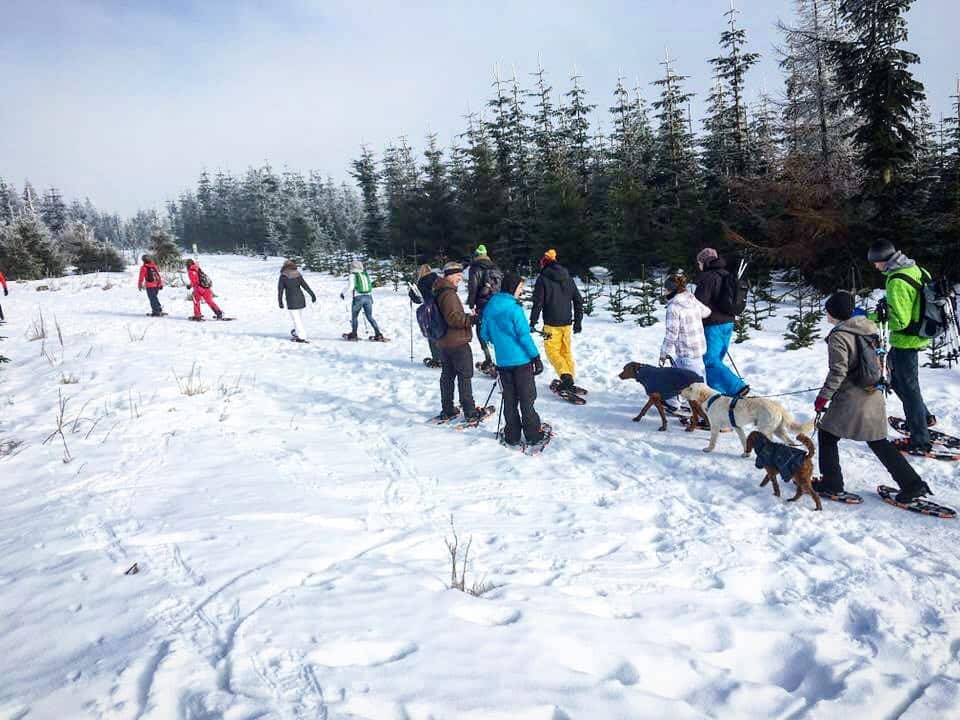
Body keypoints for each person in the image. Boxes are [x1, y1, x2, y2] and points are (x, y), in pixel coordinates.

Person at [813, 291, 931, 505]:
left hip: (852, 397)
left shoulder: (839, 335)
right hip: (873, 393)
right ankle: (913, 484)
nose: (827, 316)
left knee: (827, 435)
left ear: (834, 313)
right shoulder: (868, 327)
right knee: (878, 442)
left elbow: (838, 372)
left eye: (828, 312)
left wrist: (823, 398)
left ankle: (831, 483)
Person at [867, 240, 935, 453]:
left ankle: (920, 440)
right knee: (896, 380)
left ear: (884, 260)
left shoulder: (896, 281)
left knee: (908, 388)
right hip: (920, 332)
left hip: (907, 339)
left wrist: (868, 317)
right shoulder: (915, 268)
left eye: (876, 263)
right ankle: (924, 418)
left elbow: (899, 321)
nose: (876, 267)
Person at [479, 272, 546, 446]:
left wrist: (501, 342)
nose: (521, 291)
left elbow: (484, 334)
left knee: (509, 399)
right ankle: (533, 434)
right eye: (520, 287)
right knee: (526, 398)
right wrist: (536, 357)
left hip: (503, 363)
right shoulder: (514, 308)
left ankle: (512, 435)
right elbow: (524, 336)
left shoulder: (489, 307)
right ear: (513, 287)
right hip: (522, 362)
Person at [694, 248, 749, 397]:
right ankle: (718, 394)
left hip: (713, 325)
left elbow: (699, 304)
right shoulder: (726, 274)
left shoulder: (708, 277)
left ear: (704, 262)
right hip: (728, 323)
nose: (698, 266)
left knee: (710, 361)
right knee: (716, 360)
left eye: (699, 262)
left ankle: (737, 387)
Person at [529, 249, 584, 393]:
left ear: (544, 264)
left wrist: (532, 321)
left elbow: (538, 302)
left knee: (552, 351)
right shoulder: (568, 277)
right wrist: (578, 321)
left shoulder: (542, 279)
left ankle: (566, 378)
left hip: (551, 324)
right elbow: (578, 300)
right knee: (565, 352)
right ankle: (569, 377)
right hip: (567, 323)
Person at [434, 262, 479, 421]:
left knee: (447, 376)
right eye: (458, 274)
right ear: (450, 274)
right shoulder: (448, 293)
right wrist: (473, 319)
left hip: (445, 341)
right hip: (457, 341)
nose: (461, 277)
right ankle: (470, 411)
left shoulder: (441, 290)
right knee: (464, 375)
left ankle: (447, 408)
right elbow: (454, 318)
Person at [659, 272, 711, 411]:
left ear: (672, 290)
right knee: (678, 377)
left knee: (696, 385)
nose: (664, 292)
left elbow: (671, 334)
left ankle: (705, 414)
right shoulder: (691, 299)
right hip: (698, 349)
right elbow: (706, 312)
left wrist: (663, 353)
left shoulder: (673, 307)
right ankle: (673, 402)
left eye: (666, 289)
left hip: (687, 351)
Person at [467, 244, 500, 373]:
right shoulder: (495, 267)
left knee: (482, 331)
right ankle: (499, 358)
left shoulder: (475, 268)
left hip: (482, 304)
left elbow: (473, 287)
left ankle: (489, 358)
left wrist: (471, 304)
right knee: (495, 331)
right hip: (496, 304)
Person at [340, 260, 384, 341]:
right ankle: (378, 334)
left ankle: (354, 334)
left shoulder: (352, 275)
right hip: (368, 297)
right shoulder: (365, 275)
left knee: (354, 317)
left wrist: (343, 293)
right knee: (369, 316)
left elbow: (351, 286)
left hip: (358, 298)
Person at [409, 263, 442, 367]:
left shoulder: (422, 281)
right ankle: (445, 357)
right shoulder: (437, 278)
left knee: (431, 333)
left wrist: (411, 292)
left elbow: (417, 299)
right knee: (441, 332)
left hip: (429, 310)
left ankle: (437, 358)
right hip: (441, 307)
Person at [278, 259, 316, 343]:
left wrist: (280, 301)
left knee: (296, 319)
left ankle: (302, 337)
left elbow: (280, 290)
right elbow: (305, 286)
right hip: (300, 299)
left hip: (291, 300)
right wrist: (312, 295)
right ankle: (296, 332)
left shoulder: (283, 276)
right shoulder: (297, 274)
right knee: (298, 318)